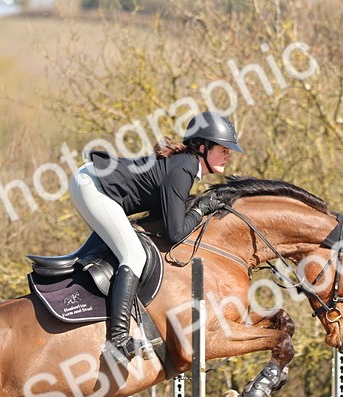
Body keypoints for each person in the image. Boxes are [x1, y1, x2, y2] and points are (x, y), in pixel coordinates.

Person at [68, 111, 243, 360]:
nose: (228, 154)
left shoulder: (184, 166)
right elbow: (175, 233)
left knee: (126, 247)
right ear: (202, 147)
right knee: (134, 255)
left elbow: (161, 223)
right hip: (92, 186)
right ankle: (117, 341)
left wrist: (197, 210)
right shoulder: (183, 169)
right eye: (223, 149)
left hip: (91, 182)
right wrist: (201, 209)